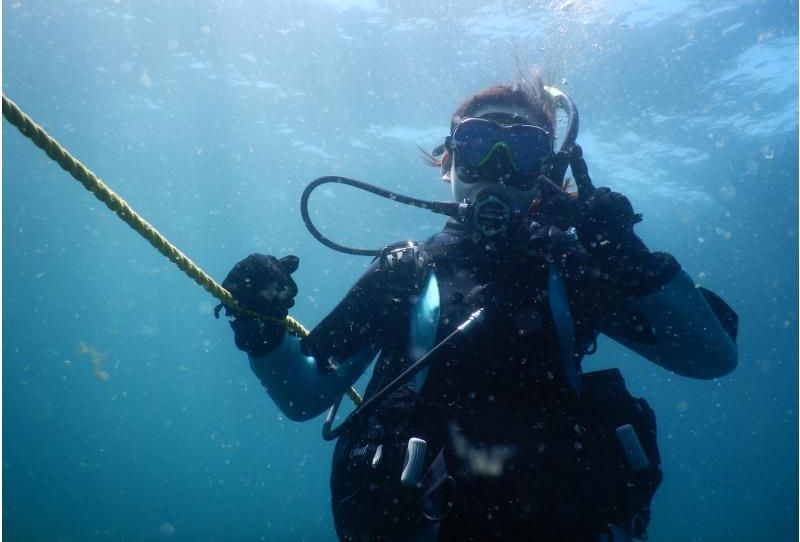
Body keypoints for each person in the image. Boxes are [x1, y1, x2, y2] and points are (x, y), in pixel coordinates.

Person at [218, 73, 738, 541]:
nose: (498, 167)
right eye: (478, 144)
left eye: (524, 152)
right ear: (447, 163)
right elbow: (304, 395)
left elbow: (710, 356)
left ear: (547, 172)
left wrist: (630, 257)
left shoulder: (571, 266)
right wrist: (258, 328)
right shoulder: (406, 271)